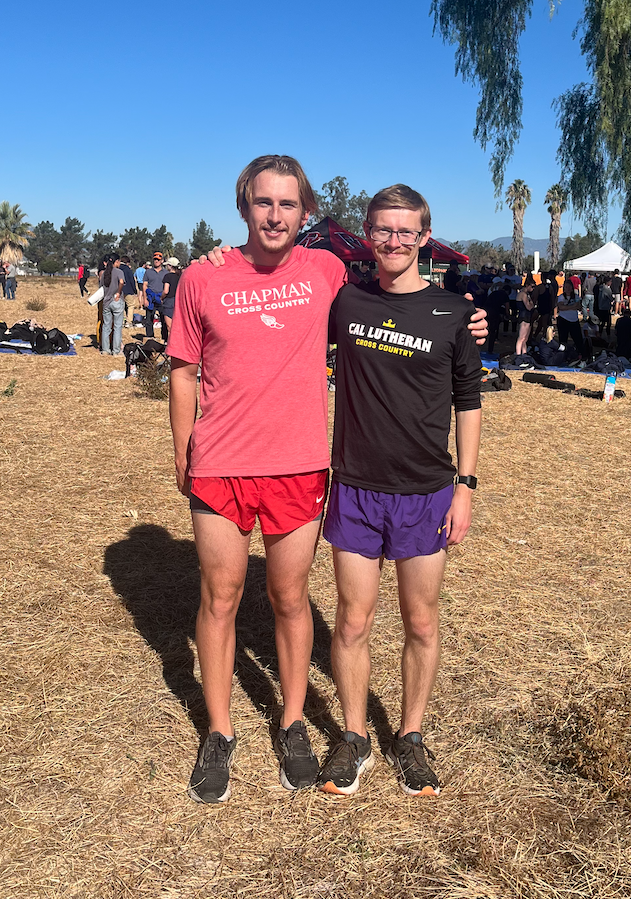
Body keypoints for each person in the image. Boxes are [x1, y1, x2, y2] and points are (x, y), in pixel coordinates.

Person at [167, 154, 489, 804]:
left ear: (305, 213)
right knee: (254, 603)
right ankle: (245, 732)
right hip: (269, 474)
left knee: (342, 609)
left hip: (342, 474)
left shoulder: (357, 282)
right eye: (264, 202)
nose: (276, 214)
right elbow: (183, 366)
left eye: (289, 204)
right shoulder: (240, 279)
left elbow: (447, 361)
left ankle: (343, 729)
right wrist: (183, 452)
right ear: (245, 206)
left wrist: (468, 322)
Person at [316, 184, 482, 798]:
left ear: (423, 238)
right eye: (382, 230)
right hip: (355, 487)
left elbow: (469, 400)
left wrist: (464, 485)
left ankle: (409, 737)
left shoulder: (454, 313)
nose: (393, 241)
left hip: (426, 491)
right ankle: (354, 737)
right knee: (353, 619)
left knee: (420, 620)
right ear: (367, 233)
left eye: (405, 232)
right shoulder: (345, 302)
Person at [99, 253, 125, 355]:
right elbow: (122, 282)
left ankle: (105, 350)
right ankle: (116, 351)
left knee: (106, 327)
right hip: (116, 301)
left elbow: (101, 287)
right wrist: (118, 292)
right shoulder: (119, 272)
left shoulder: (104, 273)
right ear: (116, 261)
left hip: (106, 302)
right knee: (117, 327)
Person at [556, 280, 583, 358]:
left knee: (578, 339)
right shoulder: (561, 297)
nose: (567, 289)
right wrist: (572, 307)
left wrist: (568, 307)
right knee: (563, 340)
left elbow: (579, 307)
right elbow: (561, 307)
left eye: (569, 287)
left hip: (574, 320)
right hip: (563, 320)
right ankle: (562, 356)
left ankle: (579, 354)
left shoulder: (576, 297)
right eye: (566, 287)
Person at [142, 253, 166, 337]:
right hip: (150, 299)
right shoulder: (148, 272)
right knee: (149, 320)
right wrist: (144, 299)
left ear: (162, 261)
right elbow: (144, 285)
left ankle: (164, 338)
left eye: (158, 260)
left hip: (161, 299)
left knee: (164, 320)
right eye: (155, 259)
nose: (156, 261)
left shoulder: (165, 273)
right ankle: (150, 338)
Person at [160, 256, 181, 341]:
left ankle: (174, 343)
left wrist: (161, 298)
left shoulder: (167, 276)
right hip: (179, 301)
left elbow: (166, 291)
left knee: (170, 326)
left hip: (169, 302)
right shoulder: (180, 276)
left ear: (170, 266)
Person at [515, 276, 536, 357]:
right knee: (521, 338)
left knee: (525, 339)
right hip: (523, 317)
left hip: (527, 316)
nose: (533, 289)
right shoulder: (523, 294)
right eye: (532, 286)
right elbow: (529, 307)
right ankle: (518, 355)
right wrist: (531, 303)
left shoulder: (527, 295)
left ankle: (524, 354)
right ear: (527, 285)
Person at [119, 255, 138, 328]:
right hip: (128, 290)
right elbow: (131, 280)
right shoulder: (127, 269)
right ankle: (129, 322)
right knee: (130, 305)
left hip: (119, 290)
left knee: (121, 306)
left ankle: (121, 321)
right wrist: (135, 290)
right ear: (127, 262)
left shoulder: (117, 268)